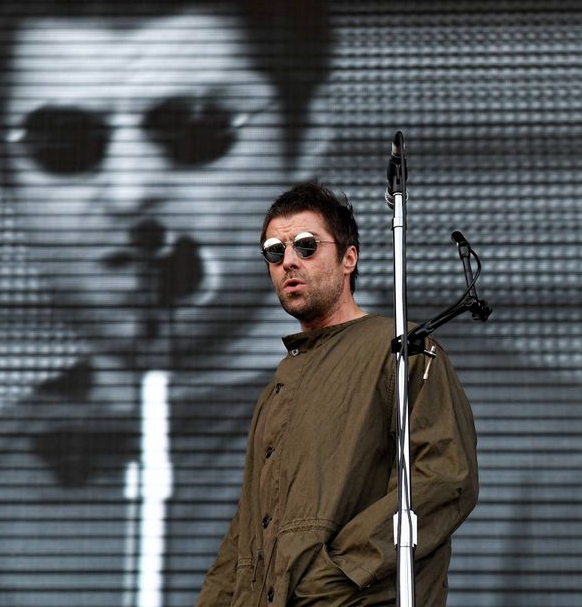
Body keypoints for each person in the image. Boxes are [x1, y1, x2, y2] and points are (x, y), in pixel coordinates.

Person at [0, 0, 332, 606]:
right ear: (5, 169)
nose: (128, 192)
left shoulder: (442, 454)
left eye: (193, 128)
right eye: (65, 142)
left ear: (304, 138)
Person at [196, 182, 479, 605]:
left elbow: (444, 480)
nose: (289, 261)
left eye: (306, 245)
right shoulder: (277, 387)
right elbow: (248, 529)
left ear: (349, 257)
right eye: (275, 251)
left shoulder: (402, 350)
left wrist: (337, 576)